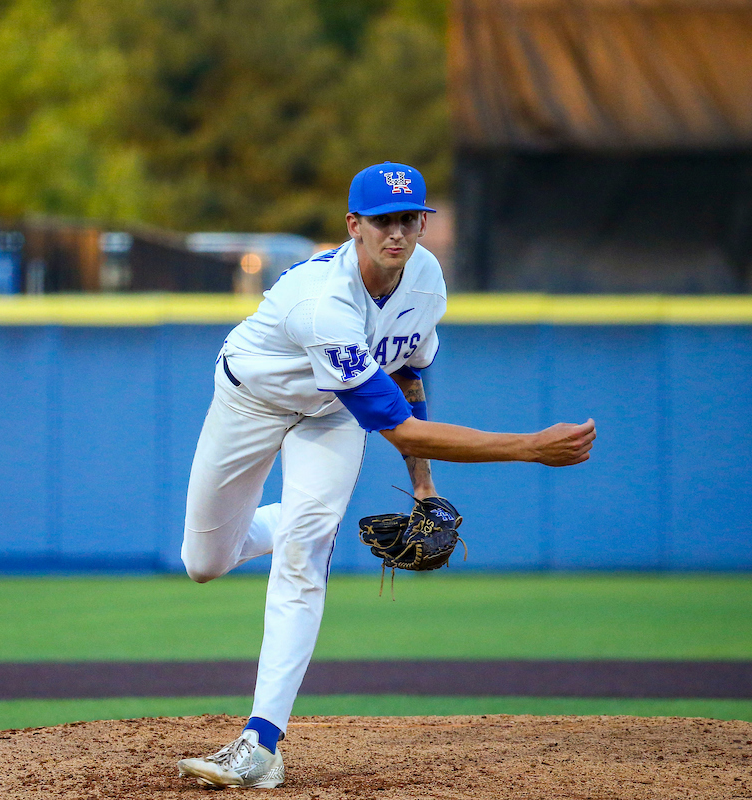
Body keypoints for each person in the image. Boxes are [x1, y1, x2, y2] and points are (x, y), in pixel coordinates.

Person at [175, 162, 596, 789]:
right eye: (382, 221)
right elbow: (399, 427)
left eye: (409, 220)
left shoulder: (426, 280)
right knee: (205, 561)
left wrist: (423, 487)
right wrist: (529, 446)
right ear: (354, 226)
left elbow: (407, 377)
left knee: (304, 556)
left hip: (334, 414)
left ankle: (260, 745)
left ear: (422, 223)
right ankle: (298, 525)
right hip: (252, 400)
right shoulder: (325, 303)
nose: (396, 233)